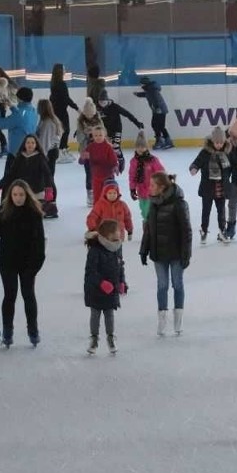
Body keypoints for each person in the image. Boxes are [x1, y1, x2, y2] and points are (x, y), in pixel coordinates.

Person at [0, 180, 46, 348]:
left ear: (27, 195)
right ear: (10, 196)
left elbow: (40, 242)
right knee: (9, 296)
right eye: (15, 195)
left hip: (28, 263)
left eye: (21, 195)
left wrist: (35, 265)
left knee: (28, 295)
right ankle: (7, 331)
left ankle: (33, 330)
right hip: (7, 261)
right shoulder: (4, 212)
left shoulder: (34, 214)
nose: (18, 198)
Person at [139, 172, 192, 337]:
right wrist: (144, 249)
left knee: (177, 284)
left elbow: (186, 231)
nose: (150, 188)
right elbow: (149, 229)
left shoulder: (179, 204)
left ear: (161, 187)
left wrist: (186, 254)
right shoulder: (153, 204)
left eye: (153, 185)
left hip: (176, 254)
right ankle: (162, 318)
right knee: (162, 286)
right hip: (158, 253)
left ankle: (178, 318)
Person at [85, 219, 126, 355]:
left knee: (109, 314)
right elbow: (91, 272)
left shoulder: (117, 247)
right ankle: (94, 338)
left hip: (112, 288)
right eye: (117, 232)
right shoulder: (95, 250)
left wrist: (122, 282)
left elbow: (120, 266)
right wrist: (101, 283)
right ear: (108, 234)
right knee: (95, 315)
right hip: (96, 290)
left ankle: (110, 337)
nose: (119, 233)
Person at [190, 127, 232, 244]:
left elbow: (232, 166)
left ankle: (222, 232)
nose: (219, 145)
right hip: (207, 188)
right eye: (216, 142)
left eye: (221, 142)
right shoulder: (205, 153)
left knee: (221, 212)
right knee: (206, 212)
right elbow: (197, 162)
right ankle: (204, 231)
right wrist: (194, 168)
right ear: (212, 141)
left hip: (221, 188)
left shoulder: (227, 153)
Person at [0, 86, 38, 174]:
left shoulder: (19, 114)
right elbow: (21, 116)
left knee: (10, 180)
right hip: (29, 150)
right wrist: (11, 106)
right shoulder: (33, 111)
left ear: (20, 99)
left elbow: (1, 124)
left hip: (16, 152)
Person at [98, 89, 144, 174]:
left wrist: (137, 123)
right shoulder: (98, 108)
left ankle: (121, 160)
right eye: (100, 103)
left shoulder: (115, 107)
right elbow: (90, 119)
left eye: (104, 102)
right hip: (106, 132)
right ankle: (110, 165)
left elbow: (127, 114)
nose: (102, 105)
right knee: (108, 148)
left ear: (107, 100)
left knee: (115, 147)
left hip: (117, 129)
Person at [0, 135, 54, 202]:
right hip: (22, 192)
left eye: (33, 143)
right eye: (28, 142)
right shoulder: (20, 157)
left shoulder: (40, 158)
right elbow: (11, 174)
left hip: (37, 193)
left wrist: (49, 189)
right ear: (24, 144)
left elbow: (47, 174)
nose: (30, 145)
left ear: (36, 145)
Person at [128, 131, 164, 221]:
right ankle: (147, 226)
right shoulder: (133, 161)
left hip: (152, 191)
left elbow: (160, 172)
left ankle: (149, 228)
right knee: (143, 211)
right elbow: (132, 176)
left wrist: (160, 185)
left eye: (143, 147)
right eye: (138, 146)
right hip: (140, 191)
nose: (140, 149)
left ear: (146, 147)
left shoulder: (152, 160)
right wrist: (132, 189)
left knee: (149, 212)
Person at [36, 99, 63, 217]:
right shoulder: (51, 120)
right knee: (49, 179)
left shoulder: (47, 123)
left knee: (48, 180)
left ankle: (51, 206)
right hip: (51, 152)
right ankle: (50, 205)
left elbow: (44, 142)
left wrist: (41, 157)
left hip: (49, 153)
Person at [76, 98, 104, 206]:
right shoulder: (80, 122)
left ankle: (100, 192)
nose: (89, 117)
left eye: (91, 115)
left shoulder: (98, 120)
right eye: (87, 115)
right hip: (87, 152)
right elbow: (79, 139)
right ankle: (90, 194)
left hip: (99, 151)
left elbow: (103, 133)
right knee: (89, 173)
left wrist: (97, 133)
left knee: (100, 173)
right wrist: (86, 133)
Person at [48, 63, 78, 164]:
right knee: (65, 131)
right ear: (60, 71)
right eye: (64, 69)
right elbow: (66, 98)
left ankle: (63, 150)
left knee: (64, 131)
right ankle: (60, 152)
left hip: (57, 110)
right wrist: (76, 107)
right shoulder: (60, 83)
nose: (65, 70)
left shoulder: (54, 83)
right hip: (60, 111)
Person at [134, 76, 173, 150]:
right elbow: (146, 95)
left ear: (144, 83)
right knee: (155, 125)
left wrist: (158, 108)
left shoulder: (152, 89)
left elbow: (156, 99)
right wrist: (138, 94)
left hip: (160, 110)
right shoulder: (150, 89)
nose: (140, 85)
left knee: (160, 126)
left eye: (141, 84)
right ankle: (160, 140)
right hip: (156, 110)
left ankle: (167, 141)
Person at [84, 126, 118, 205]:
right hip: (96, 176)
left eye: (100, 135)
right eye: (95, 135)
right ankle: (97, 211)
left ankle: (110, 210)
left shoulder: (108, 147)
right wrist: (83, 157)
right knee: (97, 195)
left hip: (108, 176)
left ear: (104, 135)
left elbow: (113, 159)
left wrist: (115, 166)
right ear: (92, 136)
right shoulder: (90, 147)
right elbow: (82, 160)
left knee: (108, 194)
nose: (98, 137)